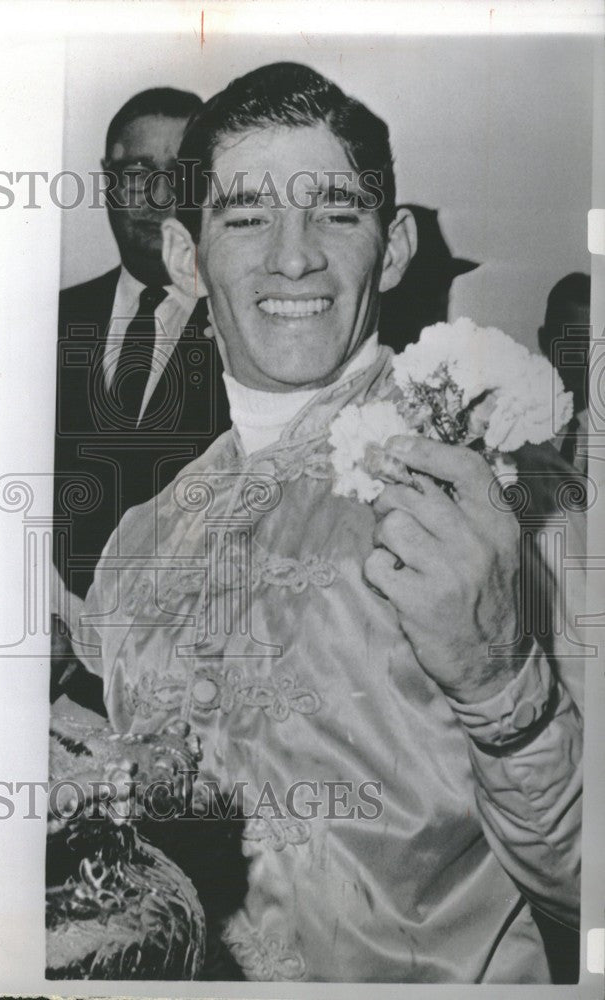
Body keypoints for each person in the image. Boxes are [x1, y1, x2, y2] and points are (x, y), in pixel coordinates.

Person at [66, 63, 583, 982]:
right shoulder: (138, 540)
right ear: (187, 257)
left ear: (391, 249)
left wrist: (503, 684)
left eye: (335, 212)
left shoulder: (504, 488)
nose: (292, 255)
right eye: (246, 214)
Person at [53, 88, 232, 603]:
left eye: (181, 174)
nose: (159, 196)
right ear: (108, 184)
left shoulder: (250, 333)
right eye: (137, 174)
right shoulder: (49, 323)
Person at [538, 272, 591, 473]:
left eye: (590, 344)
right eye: (569, 342)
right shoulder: (519, 424)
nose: (580, 357)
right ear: (545, 341)